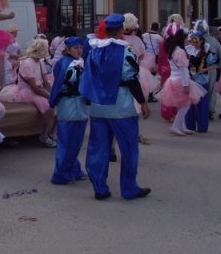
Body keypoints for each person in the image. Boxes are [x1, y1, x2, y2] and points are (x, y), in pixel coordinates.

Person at [79, 13, 151, 201]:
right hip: (121, 106)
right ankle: (129, 189)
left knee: (98, 147)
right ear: (121, 31)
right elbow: (131, 79)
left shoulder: (94, 50)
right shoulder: (126, 52)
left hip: (98, 106)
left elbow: (87, 78)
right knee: (128, 148)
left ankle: (99, 187)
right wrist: (143, 102)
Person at [0, 38, 57, 148]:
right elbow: (34, 88)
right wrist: (49, 96)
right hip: (27, 90)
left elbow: (45, 82)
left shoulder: (40, 62)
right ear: (41, 50)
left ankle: (52, 134)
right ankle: (43, 136)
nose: (47, 51)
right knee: (49, 107)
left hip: (37, 88)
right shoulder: (27, 63)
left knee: (57, 103)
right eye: (45, 49)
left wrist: (53, 93)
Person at [49, 37, 88, 185]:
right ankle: (61, 174)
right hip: (68, 105)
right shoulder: (63, 63)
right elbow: (59, 85)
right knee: (66, 141)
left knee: (76, 141)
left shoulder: (82, 61)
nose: (79, 50)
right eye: (75, 48)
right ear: (68, 49)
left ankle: (74, 169)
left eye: (80, 47)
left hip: (81, 105)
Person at [157, 28, 206, 136]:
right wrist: (186, 85)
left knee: (182, 104)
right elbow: (183, 69)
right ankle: (176, 126)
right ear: (182, 38)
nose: (188, 40)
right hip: (180, 79)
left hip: (173, 79)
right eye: (187, 38)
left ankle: (181, 126)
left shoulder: (173, 49)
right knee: (186, 104)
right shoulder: (180, 51)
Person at [184, 32, 216, 133]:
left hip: (202, 81)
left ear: (201, 41)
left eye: (197, 41)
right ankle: (190, 126)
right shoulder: (189, 50)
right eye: (193, 41)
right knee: (190, 103)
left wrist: (205, 69)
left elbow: (215, 65)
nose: (195, 43)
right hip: (191, 80)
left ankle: (202, 126)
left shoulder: (207, 52)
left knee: (202, 104)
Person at [3, 24, 21, 88]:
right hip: (8, 62)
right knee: (9, 77)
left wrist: (19, 55)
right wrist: (15, 56)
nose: (17, 33)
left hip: (15, 62)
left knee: (15, 76)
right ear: (12, 32)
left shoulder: (15, 40)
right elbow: (5, 54)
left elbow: (18, 50)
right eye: (16, 32)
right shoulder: (6, 41)